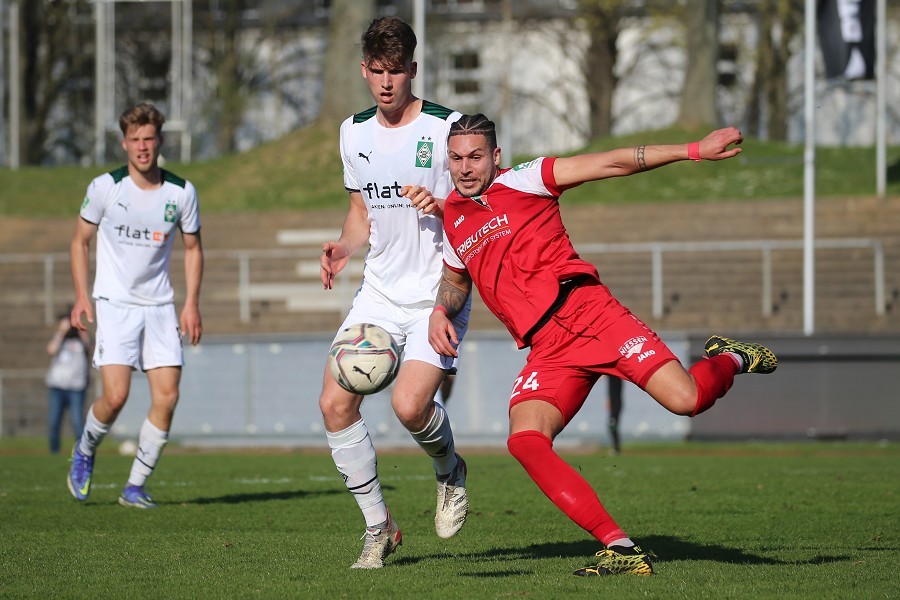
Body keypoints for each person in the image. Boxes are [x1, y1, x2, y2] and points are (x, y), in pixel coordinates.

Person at [426, 114, 778, 577]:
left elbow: (612, 162)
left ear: (496, 157)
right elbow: (455, 281)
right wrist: (438, 312)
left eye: (475, 156)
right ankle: (620, 546)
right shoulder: (451, 216)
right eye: (456, 158)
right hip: (547, 347)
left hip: (591, 314)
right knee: (526, 441)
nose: (465, 167)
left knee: (686, 400)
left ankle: (732, 357)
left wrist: (693, 150)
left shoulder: (527, 180)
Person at [318, 17, 471, 569]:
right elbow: (361, 212)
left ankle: (450, 469)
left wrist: (443, 206)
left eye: (396, 71)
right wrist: (342, 247)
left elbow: (480, 207)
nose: (386, 83)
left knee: (410, 407)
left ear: (413, 68)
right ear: (365, 70)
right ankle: (379, 527)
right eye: (376, 72)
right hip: (379, 289)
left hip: (438, 290)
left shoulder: (447, 128)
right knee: (334, 404)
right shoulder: (352, 132)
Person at [67, 102, 204, 509]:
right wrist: (80, 296)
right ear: (124, 143)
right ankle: (86, 449)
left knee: (167, 396)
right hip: (115, 303)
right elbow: (79, 242)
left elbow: (194, 249)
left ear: (160, 141)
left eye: (149, 139)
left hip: (160, 306)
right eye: (135, 140)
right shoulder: (105, 187)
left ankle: (134, 486)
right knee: (116, 397)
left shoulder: (181, 192)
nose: (142, 147)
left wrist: (191, 303)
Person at [45, 311, 91, 455]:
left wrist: (81, 329)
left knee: (78, 423)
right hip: (57, 387)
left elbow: (90, 347)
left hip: (76, 388)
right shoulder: (60, 339)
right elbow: (51, 350)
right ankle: (54, 452)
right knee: (54, 422)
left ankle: (82, 453)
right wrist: (61, 331)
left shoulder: (81, 341)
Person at [606, 376, 623, 455]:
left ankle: (616, 448)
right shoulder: (612, 377)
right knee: (612, 425)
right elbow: (610, 391)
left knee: (612, 424)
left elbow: (614, 392)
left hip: (616, 405)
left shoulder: (616, 377)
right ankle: (616, 447)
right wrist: (609, 400)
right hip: (614, 404)